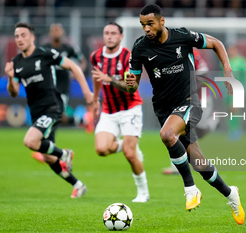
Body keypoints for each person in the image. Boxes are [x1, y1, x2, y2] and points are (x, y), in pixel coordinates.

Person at [125, 4, 245, 225]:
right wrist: (130, 84)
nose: (146, 29)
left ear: (162, 21)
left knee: (167, 135)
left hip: (189, 102)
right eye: (143, 25)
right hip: (163, 108)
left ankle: (190, 189)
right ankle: (231, 194)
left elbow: (216, 43)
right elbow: (131, 85)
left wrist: (227, 68)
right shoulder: (140, 47)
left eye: (150, 23)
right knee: (199, 163)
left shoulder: (182, 36)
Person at [5, 22, 93, 198]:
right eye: (17, 36)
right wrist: (10, 77)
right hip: (36, 111)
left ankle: (65, 153)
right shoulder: (16, 62)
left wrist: (86, 91)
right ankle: (78, 184)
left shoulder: (45, 53)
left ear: (32, 37)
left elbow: (73, 66)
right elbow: (14, 92)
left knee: (30, 141)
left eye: (23, 35)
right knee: (48, 157)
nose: (20, 39)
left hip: (52, 106)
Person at [90, 22, 149, 203]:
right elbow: (97, 77)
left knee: (130, 155)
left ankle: (143, 192)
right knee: (101, 149)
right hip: (109, 110)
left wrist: (110, 79)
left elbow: (130, 88)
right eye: (106, 33)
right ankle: (128, 143)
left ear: (121, 36)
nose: (109, 36)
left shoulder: (128, 58)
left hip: (130, 108)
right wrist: (95, 98)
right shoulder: (96, 56)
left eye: (113, 33)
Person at [32, 23, 88, 163]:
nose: (56, 33)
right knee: (58, 118)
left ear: (62, 33)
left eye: (58, 30)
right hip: (48, 89)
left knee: (54, 117)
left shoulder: (68, 49)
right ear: (50, 33)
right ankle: (82, 121)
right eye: (53, 30)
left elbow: (82, 61)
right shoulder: (46, 49)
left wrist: (76, 72)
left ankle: (48, 150)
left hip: (62, 89)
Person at [162, 49, 218, 175]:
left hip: (201, 99)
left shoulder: (193, 53)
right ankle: (176, 166)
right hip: (183, 101)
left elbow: (205, 75)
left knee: (201, 131)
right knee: (179, 130)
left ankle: (213, 122)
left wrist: (188, 89)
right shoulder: (168, 54)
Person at [225, 45, 246, 141]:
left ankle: (237, 131)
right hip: (227, 89)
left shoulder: (242, 61)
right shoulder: (226, 62)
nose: (231, 52)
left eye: (233, 50)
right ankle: (231, 130)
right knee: (229, 110)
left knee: (235, 109)